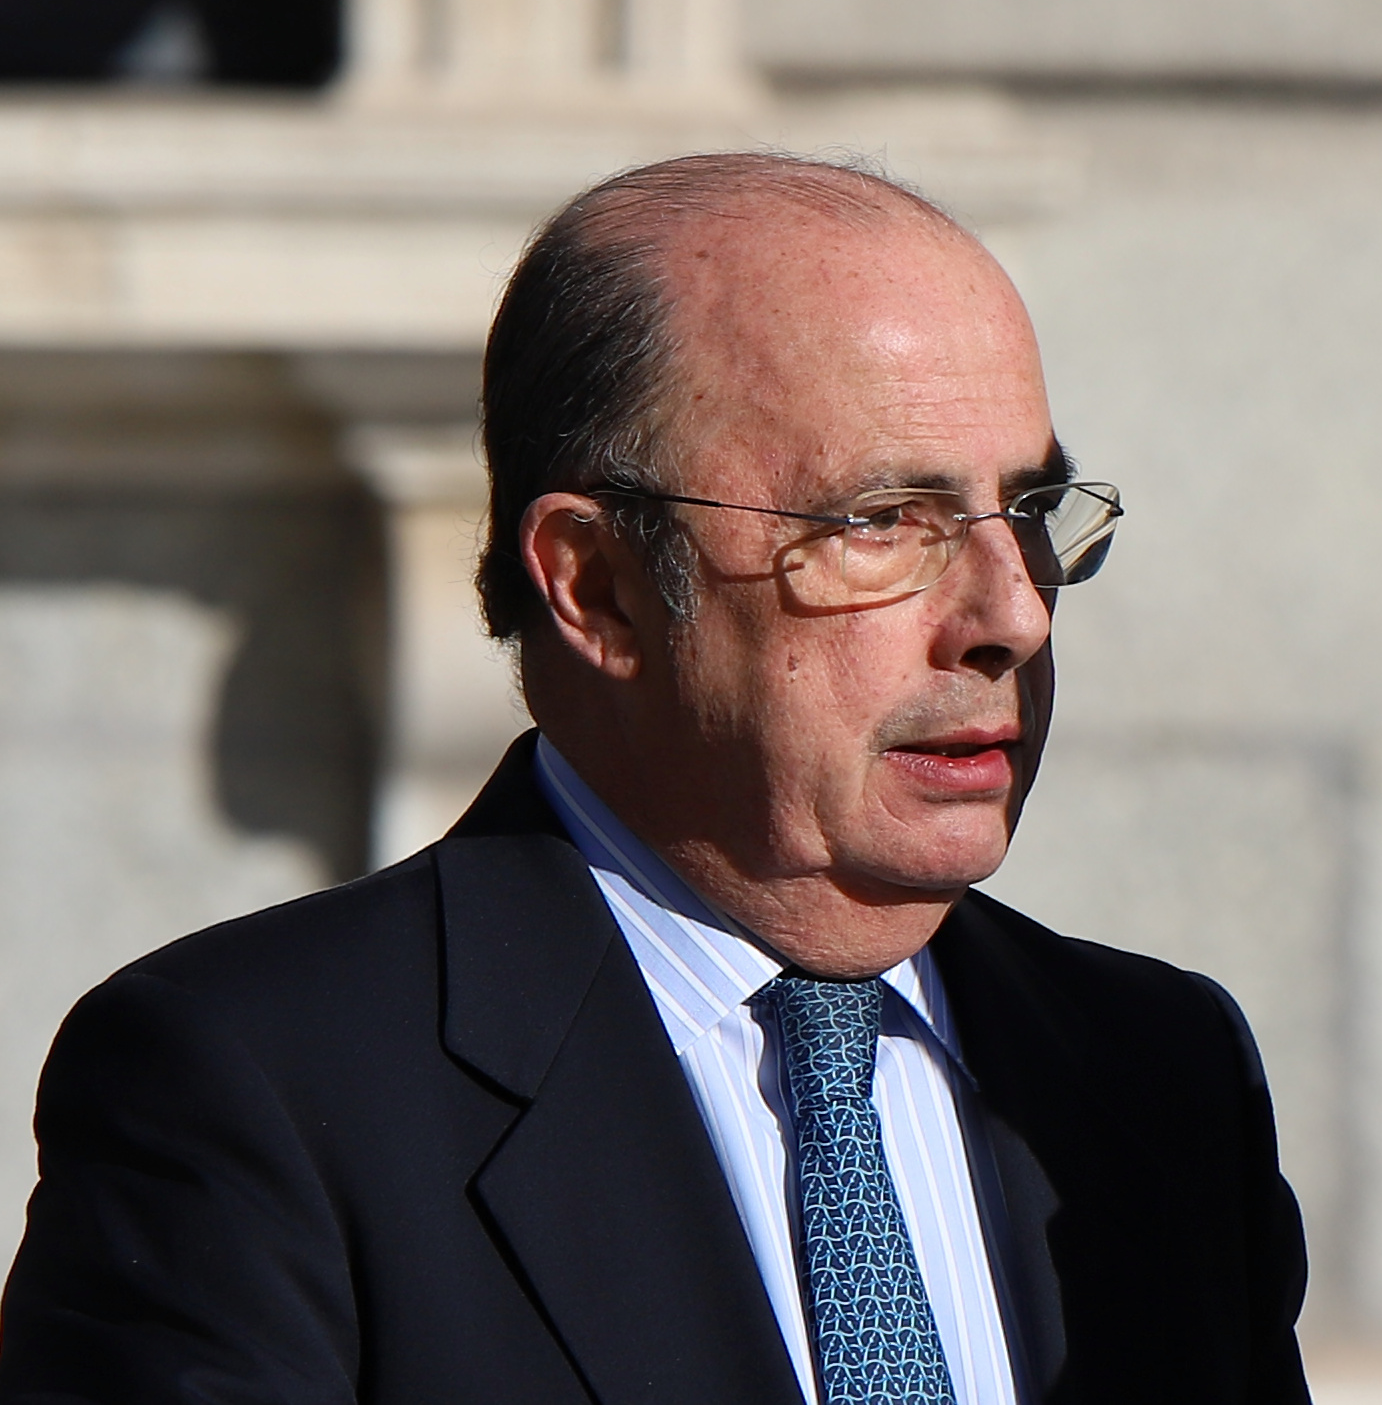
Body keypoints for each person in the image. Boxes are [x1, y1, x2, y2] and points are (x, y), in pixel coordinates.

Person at [0, 153, 1310, 1404]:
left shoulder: (1157, 1082)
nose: (1011, 613)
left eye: (1029, 511)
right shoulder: (258, 1089)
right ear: (598, 586)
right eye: (878, 523)